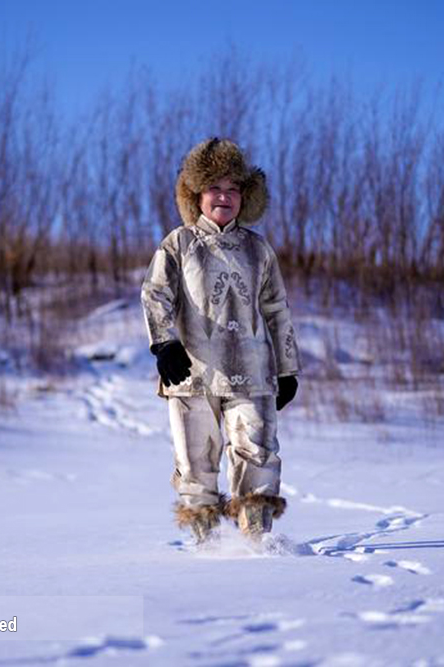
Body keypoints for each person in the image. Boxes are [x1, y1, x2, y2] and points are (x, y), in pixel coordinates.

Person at [140, 137, 301, 544]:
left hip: (252, 372)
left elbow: (277, 309)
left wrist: (287, 369)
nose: (224, 197)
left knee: (258, 453)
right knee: (196, 465)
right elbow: (155, 294)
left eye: (233, 189)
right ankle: (205, 549)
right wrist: (164, 343)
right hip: (192, 374)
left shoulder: (257, 249)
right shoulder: (179, 243)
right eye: (215, 188)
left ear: (245, 197)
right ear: (196, 194)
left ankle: (256, 543)